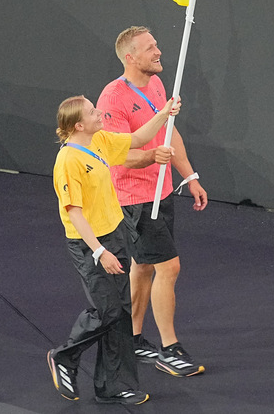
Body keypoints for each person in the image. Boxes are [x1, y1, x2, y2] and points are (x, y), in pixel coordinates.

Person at [47, 93, 179, 406]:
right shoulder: (68, 161)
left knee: (120, 313)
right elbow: (74, 212)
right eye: (93, 112)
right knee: (106, 311)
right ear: (78, 124)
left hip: (114, 234)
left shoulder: (101, 140)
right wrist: (98, 252)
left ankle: (112, 386)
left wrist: (164, 112)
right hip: (89, 244)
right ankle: (64, 356)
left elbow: (136, 138)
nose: (100, 113)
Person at [96, 26, 208, 377]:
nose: (159, 52)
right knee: (168, 267)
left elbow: (168, 133)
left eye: (157, 45)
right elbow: (115, 156)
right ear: (130, 57)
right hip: (134, 200)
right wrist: (150, 158)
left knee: (143, 267)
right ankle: (170, 348)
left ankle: (132, 337)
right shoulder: (113, 99)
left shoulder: (158, 86)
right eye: (150, 48)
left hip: (161, 192)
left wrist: (189, 176)